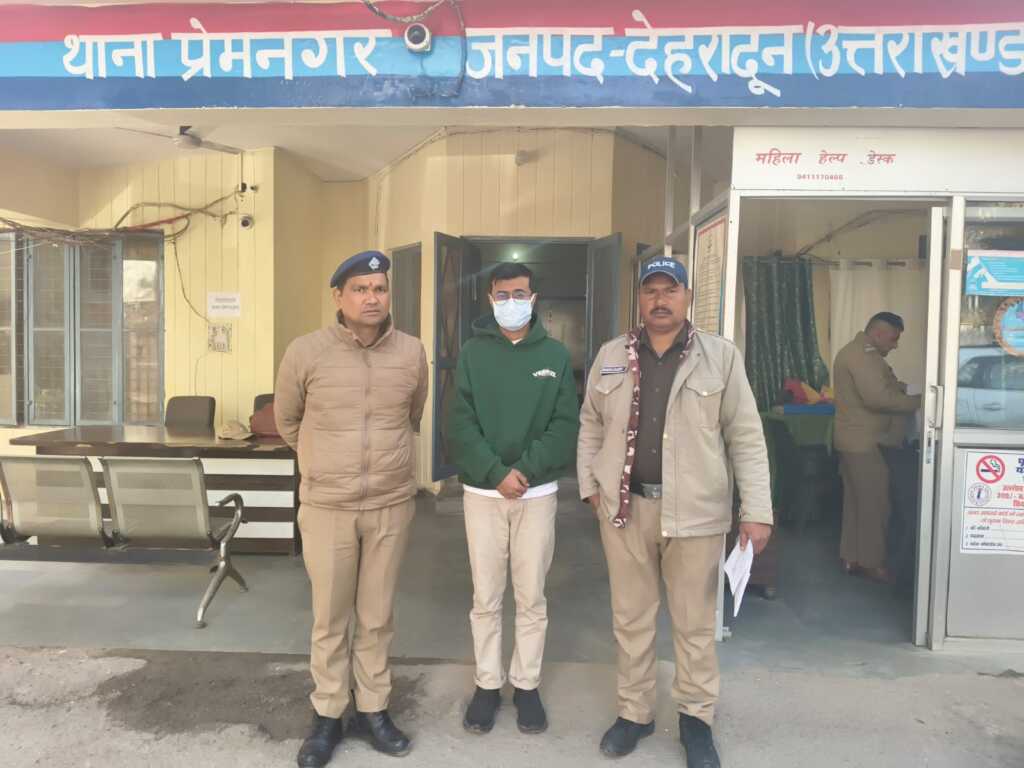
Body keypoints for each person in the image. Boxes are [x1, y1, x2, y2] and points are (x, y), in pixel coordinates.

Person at [577, 257, 772, 768]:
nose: (660, 300)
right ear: (639, 299)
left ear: (687, 297)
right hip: (626, 510)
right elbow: (590, 423)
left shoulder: (720, 357)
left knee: (694, 624)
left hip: (697, 514)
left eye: (670, 290)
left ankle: (696, 719)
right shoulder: (611, 355)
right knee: (631, 618)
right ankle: (635, 712)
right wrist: (591, 486)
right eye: (651, 291)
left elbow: (746, 435)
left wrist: (757, 509)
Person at [275, 250, 429, 767]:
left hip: (390, 504)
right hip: (328, 506)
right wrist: (325, 462)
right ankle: (328, 714)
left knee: (377, 616)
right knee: (330, 617)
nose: (371, 298)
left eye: (379, 288)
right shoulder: (306, 351)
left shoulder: (411, 352)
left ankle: (373, 708)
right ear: (338, 297)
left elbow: (412, 415)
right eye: (360, 289)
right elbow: (288, 420)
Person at [448, 262, 579, 736]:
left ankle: (526, 685)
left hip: (536, 494)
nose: (511, 303)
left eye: (519, 294)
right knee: (485, 596)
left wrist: (524, 471)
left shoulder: (555, 356)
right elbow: (459, 422)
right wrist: (495, 473)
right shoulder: (472, 354)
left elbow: (565, 424)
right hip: (482, 494)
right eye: (502, 295)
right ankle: (487, 684)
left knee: (531, 596)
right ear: (490, 299)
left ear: (534, 298)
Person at [833, 312, 921, 583]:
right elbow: (878, 398)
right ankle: (871, 563)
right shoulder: (861, 355)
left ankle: (851, 557)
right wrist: (921, 402)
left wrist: (909, 389)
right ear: (879, 333)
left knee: (857, 502)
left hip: (855, 440)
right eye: (893, 339)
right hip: (865, 442)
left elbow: (886, 386)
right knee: (875, 505)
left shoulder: (861, 353)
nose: (895, 345)